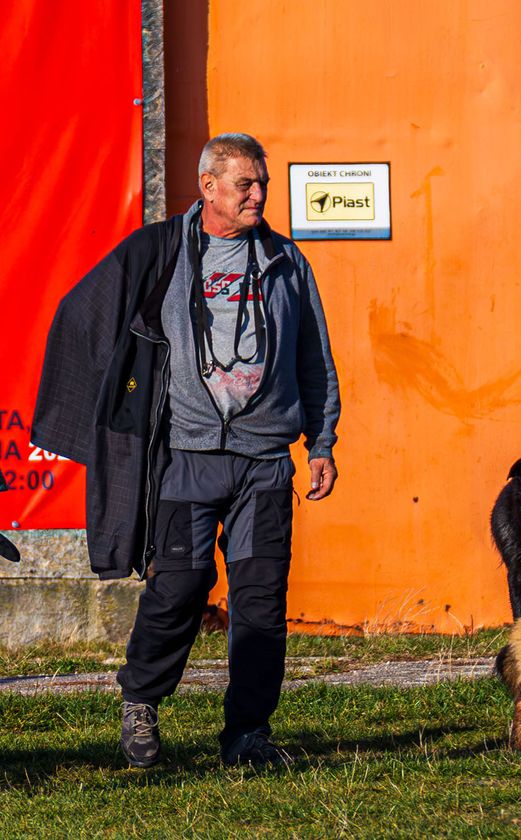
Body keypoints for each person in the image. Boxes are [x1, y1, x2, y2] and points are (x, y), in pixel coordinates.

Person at [33, 133, 340, 768]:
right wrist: (91, 420)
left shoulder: (286, 262)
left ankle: (248, 734)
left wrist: (322, 442)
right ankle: (141, 703)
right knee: (179, 585)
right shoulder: (162, 252)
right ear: (208, 187)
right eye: (245, 184)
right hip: (187, 455)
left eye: (262, 183)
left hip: (263, 462)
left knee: (260, 598)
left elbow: (315, 359)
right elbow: (81, 313)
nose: (258, 194)